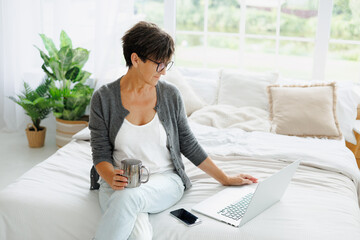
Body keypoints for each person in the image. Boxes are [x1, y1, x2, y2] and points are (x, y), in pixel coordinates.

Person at [89, 21, 258, 240]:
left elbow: (187, 142)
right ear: (135, 59)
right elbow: (100, 153)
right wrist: (111, 176)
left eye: (167, 64)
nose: (164, 72)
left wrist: (224, 178)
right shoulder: (103, 98)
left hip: (164, 181)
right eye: (159, 64)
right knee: (139, 234)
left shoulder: (170, 95)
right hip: (118, 184)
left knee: (129, 199)